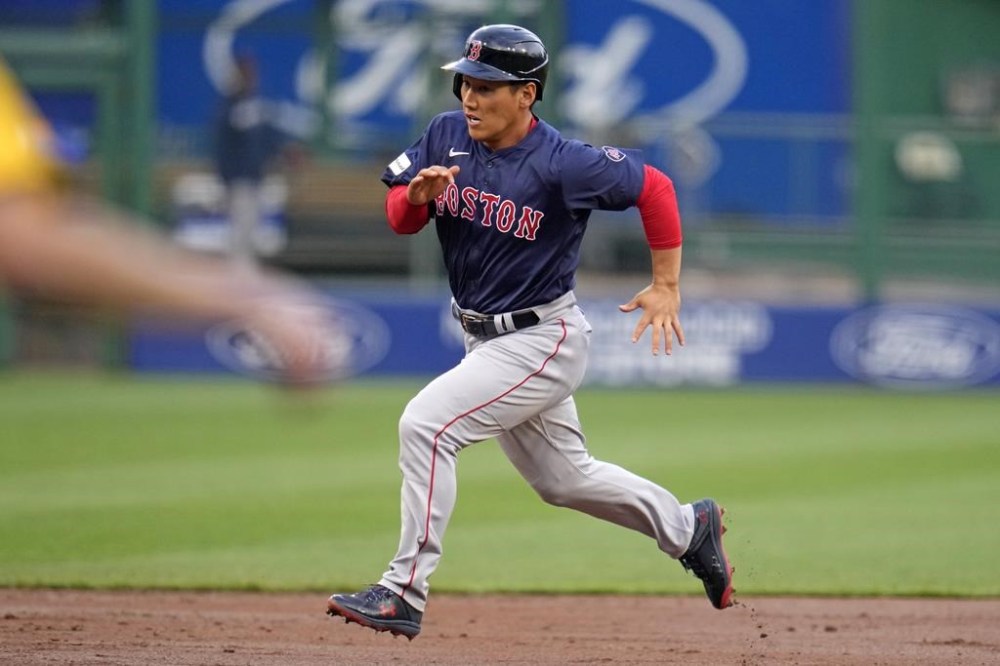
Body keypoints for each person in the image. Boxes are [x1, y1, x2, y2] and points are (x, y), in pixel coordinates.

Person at [325, 24, 734, 640]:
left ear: (527, 94)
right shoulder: (445, 134)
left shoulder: (564, 163)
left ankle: (402, 591)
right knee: (563, 480)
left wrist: (667, 285)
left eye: (488, 86)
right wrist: (415, 196)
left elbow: (657, 187)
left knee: (427, 426)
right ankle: (686, 527)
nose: (470, 96)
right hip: (484, 339)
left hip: (542, 339)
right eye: (466, 80)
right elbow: (402, 221)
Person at [0, 55, 330, 385]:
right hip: (237, 184)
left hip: (250, 184)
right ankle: (243, 277)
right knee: (240, 238)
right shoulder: (232, 106)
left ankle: (243, 277)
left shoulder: (253, 105)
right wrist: (239, 297)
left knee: (245, 235)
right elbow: (16, 234)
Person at [211, 54, 292, 270]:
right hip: (237, 175)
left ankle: (244, 269)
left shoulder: (255, 102)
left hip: (255, 174)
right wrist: (224, 174)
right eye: (245, 72)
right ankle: (238, 272)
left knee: (250, 225)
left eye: (251, 72)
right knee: (241, 225)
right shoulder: (230, 103)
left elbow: (268, 137)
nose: (250, 77)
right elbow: (223, 143)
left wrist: (283, 153)